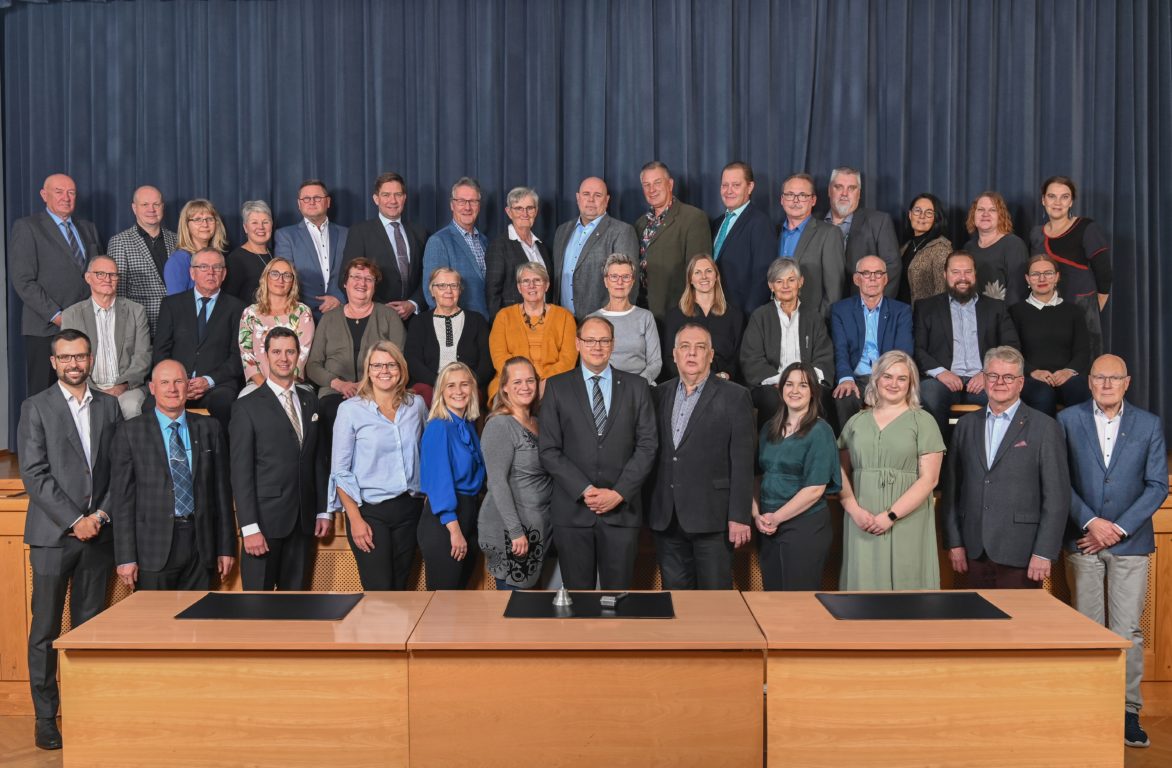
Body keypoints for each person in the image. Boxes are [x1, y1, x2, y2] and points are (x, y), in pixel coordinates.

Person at [18, 329, 121, 751]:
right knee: (44, 630)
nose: (74, 364)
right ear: (54, 362)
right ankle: (47, 718)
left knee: (87, 630)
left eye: (80, 357)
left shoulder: (111, 407)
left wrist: (98, 515)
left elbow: (121, 469)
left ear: (90, 359)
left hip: (99, 534)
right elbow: (34, 474)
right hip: (53, 536)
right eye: (66, 358)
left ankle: (84, 709)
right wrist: (74, 519)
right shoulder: (35, 407)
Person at [1058, 354, 1167, 749]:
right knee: (1086, 629)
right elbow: (1060, 480)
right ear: (1089, 382)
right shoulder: (1068, 420)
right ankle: (1089, 705)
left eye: (1114, 378)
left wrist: (1116, 529)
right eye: (1100, 377)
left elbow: (1157, 485)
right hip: (1082, 540)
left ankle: (1128, 711)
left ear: (1127, 382)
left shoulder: (1149, 424)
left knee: (1127, 632)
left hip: (1130, 543)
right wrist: (1091, 522)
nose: (1107, 384)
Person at [539, 317, 657, 590]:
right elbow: (548, 450)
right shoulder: (557, 387)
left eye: (604, 340)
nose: (597, 346)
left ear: (613, 345)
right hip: (573, 512)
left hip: (622, 512)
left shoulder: (636, 387)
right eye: (590, 340)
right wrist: (585, 489)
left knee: (617, 599)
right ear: (578, 344)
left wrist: (619, 493)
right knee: (579, 602)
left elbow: (648, 445)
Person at [942, 346, 1070, 589]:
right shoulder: (966, 426)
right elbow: (952, 491)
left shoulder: (1044, 427)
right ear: (984, 378)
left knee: (1018, 627)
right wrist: (955, 543)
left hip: (1021, 553)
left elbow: (1057, 497)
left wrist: (1044, 552)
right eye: (993, 376)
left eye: (1008, 377)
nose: (1000, 382)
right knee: (975, 626)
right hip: (972, 551)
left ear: (1020, 383)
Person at [109, 359, 236, 590]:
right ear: (152, 388)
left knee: (199, 623)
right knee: (155, 625)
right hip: (152, 549)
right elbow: (122, 501)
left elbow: (222, 494)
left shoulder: (210, 428)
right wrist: (126, 557)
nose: (172, 388)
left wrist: (225, 547)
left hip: (202, 545)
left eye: (179, 381)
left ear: (188, 386)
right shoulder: (130, 432)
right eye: (165, 382)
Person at [650, 324, 754, 589]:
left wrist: (740, 516)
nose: (692, 353)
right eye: (685, 347)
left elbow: (742, 462)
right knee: (675, 601)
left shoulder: (736, 396)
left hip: (713, 519)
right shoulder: (658, 394)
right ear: (674, 354)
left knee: (714, 603)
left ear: (711, 354)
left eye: (700, 347)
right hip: (667, 517)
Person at [230, 328, 330, 591]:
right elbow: (241, 473)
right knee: (256, 609)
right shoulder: (246, 406)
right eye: (277, 351)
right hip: (263, 524)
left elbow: (317, 461)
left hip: (303, 521)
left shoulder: (310, 401)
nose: (284, 358)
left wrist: (322, 509)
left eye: (290, 351)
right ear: (265, 356)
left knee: (294, 606)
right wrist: (249, 527)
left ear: (299, 355)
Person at [837, 350, 945, 590]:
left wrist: (891, 515)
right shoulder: (856, 422)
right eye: (887, 376)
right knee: (862, 590)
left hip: (907, 519)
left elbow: (930, 479)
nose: (893, 384)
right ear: (876, 379)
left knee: (908, 585)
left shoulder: (923, 421)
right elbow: (840, 472)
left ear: (911, 384)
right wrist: (854, 510)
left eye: (902, 378)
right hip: (862, 519)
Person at [329, 341, 427, 591]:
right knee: (379, 593)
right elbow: (340, 472)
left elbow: (427, 452)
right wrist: (355, 520)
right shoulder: (350, 410)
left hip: (410, 508)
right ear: (368, 370)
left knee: (401, 590)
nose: (385, 370)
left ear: (401, 368)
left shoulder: (416, 406)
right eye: (377, 365)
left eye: (391, 364)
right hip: (370, 513)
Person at [10, 173, 102, 394]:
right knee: (43, 395)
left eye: (71, 192)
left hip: (85, 327)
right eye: (59, 192)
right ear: (44, 195)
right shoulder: (28, 227)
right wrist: (58, 316)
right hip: (46, 328)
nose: (66, 197)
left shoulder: (88, 228)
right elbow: (24, 281)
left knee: (84, 394)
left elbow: (96, 274)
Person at [914, 250, 1021, 438]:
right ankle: (940, 459)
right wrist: (941, 373)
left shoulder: (996, 307)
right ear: (945, 275)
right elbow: (917, 348)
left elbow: (1010, 347)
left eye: (967, 272)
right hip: (942, 382)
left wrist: (987, 374)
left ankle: (992, 458)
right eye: (956, 272)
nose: (962, 278)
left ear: (975, 274)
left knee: (1005, 393)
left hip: (984, 380)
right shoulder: (926, 307)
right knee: (929, 392)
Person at [753, 362, 840, 591]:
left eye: (803, 385)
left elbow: (815, 489)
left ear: (813, 391)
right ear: (780, 389)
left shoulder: (820, 431)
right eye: (789, 384)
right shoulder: (768, 429)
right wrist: (757, 515)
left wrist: (777, 517)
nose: (795, 390)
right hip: (768, 526)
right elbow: (757, 476)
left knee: (798, 607)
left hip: (804, 527)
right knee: (772, 602)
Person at [152, 247, 246, 432]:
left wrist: (208, 380)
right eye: (203, 267)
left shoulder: (238, 308)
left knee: (222, 404)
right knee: (149, 406)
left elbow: (237, 358)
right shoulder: (171, 305)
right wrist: (179, 382)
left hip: (217, 385)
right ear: (192, 273)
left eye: (216, 267)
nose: (210, 272)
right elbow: (160, 351)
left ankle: (217, 459)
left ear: (224, 273)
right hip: (176, 382)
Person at [478, 357, 553, 590]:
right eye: (517, 381)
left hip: (538, 526)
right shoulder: (500, 425)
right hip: (513, 530)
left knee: (530, 605)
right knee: (515, 604)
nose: (525, 387)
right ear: (504, 388)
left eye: (530, 380)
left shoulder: (538, 422)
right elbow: (497, 483)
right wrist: (516, 531)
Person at [740, 258, 833, 426]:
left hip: (808, 383)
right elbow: (751, 359)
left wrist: (803, 384)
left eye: (791, 280)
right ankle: (771, 449)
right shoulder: (759, 317)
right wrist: (784, 383)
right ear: (771, 286)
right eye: (779, 281)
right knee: (770, 399)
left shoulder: (814, 317)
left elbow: (824, 357)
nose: (785, 286)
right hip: (772, 385)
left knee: (823, 396)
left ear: (800, 282)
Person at [419, 362, 486, 590]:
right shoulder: (439, 427)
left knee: (458, 602)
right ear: (441, 392)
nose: (458, 391)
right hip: (445, 524)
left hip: (467, 514)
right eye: (451, 386)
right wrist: (455, 531)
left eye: (464, 384)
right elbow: (439, 485)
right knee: (442, 605)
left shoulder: (467, 425)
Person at [1029, 175, 1112, 359]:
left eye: (1064, 197)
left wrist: (1091, 309)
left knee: (1082, 369)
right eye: (1052, 196)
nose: (1057, 202)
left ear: (1071, 201)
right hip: (1045, 313)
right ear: (1043, 200)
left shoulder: (1086, 227)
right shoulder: (1036, 234)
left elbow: (1104, 274)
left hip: (1081, 311)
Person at [61, 255, 152, 418]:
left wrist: (121, 386)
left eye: (113, 275)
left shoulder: (136, 311)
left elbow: (143, 356)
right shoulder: (72, 315)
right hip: (87, 387)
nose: (107, 279)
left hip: (128, 388)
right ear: (88, 278)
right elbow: (70, 360)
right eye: (100, 274)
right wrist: (96, 391)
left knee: (131, 406)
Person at [829, 255, 914, 428]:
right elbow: (840, 350)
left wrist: (887, 380)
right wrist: (846, 378)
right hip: (856, 377)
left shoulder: (901, 311)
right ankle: (849, 453)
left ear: (885, 279)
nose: (873, 279)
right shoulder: (840, 310)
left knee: (897, 398)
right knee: (844, 396)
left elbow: (902, 353)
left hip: (888, 376)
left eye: (878, 273)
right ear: (856, 279)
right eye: (866, 273)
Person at [1009, 254, 1092, 416]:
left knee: (1079, 388)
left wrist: (1068, 371)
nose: (1042, 278)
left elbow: (1083, 350)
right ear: (1027, 279)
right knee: (1043, 393)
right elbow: (1012, 351)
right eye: (1035, 274)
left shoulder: (1073, 311)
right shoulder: (1016, 312)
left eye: (1048, 273)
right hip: (1032, 378)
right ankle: (1044, 441)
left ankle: (1075, 440)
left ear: (1057, 277)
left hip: (1066, 377)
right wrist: (1032, 371)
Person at [342, 171, 428, 321]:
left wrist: (413, 303)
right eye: (386, 195)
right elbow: (349, 278)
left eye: (398, 195)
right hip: (374, 318)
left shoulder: (419, 232)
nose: (392, 200)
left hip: (414, 318)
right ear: (376, 199)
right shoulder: (360, 232)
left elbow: (426, 274)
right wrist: (380, 308)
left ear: (404, 198)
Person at [635, 161, 713, 321]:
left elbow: (698, 273)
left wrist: (690, 315)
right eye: (646, 185)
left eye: (657, 183)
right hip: (642, 312)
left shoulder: (693, 218)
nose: (652, 189)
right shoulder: (640, 224)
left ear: (670, 184)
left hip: (676, 313)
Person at [552, 176, 639, 319]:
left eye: (598, 195)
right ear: (578, 198)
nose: (591, 200)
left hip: (602, 327)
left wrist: (617, 322)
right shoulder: (562, 231)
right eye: (586, 194)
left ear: (607, 200)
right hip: (563, 322)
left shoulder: (622, 231)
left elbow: (627, 285)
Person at [488, 263, 578, 401]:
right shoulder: (504, 316)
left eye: (537, 280)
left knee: (554, 407)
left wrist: (543, 379)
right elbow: (499, 356)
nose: (531, 286)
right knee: (506, 411)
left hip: (552, 381)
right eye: (526, 281)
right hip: (512, 381)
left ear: (546, 285)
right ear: (519, 287)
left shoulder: (565, 317)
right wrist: (525, 380)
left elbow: (568, 359)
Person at [405, 267, 493, 401]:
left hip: (468, 385)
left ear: (460, 290)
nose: (448, 291)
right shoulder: (419, 322)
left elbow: (486, 363)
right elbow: (413, 361)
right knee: (426, 397)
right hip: (430, 385)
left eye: (454, 285)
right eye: (441, 286)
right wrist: (439, 383)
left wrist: (465, 383)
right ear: (432, 291)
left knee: (466, 398)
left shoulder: (477, 320)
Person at [238, 257, 314, 396]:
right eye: (275, 274)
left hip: (292, 383)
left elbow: (302, 354)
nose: (281, 280)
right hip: (258, 384)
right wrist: (267, 389)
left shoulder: (302, 312)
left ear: (293, 281)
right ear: (265, 278)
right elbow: (246, 356)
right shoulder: (250, 313)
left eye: (287, 275)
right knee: (245, 399)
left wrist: (282, 388)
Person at [273, 179, 349, 320]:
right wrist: (311, 306)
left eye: (317, 198)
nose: (312, 202)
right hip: (302, 315)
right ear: (299, 204)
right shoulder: (285, 236)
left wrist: (339, 298)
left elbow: (353, 271)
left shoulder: (346, 234)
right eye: (306, 198)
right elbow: (285, 278)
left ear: (328, 202)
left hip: (341, 312)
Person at [108, 185, 177, 334]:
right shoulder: (120, 242)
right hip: (141, 327)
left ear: (162, 207)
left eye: (156, 204)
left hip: (176, 326)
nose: (151, 209)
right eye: (145, 204)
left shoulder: (177, 240)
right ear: (134, 208)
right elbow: (118, 291)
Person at [663, 254, 744, 380]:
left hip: (723, 384)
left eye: (709, 271)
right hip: (686, 384)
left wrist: (725, 375)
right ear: (690, 279)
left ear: (716, 276)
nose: (704, 276)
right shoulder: (674, 316)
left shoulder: (735, 316)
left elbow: (739, 358)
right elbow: (669, 358)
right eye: (697, 272)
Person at [710, 161, 775, 314]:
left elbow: (763, 276)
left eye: (736, 185)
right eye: (725, 185)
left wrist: (748, 317)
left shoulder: (760, 223)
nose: (729, 191)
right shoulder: (716, 223)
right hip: (713, 312)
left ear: (750, 187)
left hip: (740, 316)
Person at [824, 167, 901, 296]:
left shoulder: (879, 222)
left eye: (851, 188)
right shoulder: (814, 222)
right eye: (838, 187)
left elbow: (891, 269)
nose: (844, 193)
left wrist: (872, 309)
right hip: (820, 311)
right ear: (829, 191)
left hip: (862, 310)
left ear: (859, 194)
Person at [777, 172, 845, 317]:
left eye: (802, 195)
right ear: (782, 199)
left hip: (810, 324)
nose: (795, 200)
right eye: (789, 194)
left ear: (813, 200)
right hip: (775, 322)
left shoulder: (829, 233)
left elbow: (834, 291)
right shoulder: (773, 232)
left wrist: (819, 324)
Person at [422, 177, 491, 318]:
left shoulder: (485, 241)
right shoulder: (438, 241)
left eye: (473, 201)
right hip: (459, 327)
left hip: (488, 324)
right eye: (461, 201)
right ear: (452, 205)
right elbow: (433, 295)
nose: (467, 207)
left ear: (479, 205)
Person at [589, 253, 661, 384]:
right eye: (614, 277)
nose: (620, 282)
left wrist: (637, 384)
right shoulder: (592, 320)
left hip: (640, 386)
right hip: (605, 386)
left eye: (626, 277)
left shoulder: (645, 317)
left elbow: (655, 363)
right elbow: (588, 363)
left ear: (633, 281)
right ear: (605, 281)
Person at [485, 186, 554, 316]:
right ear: (509, 212)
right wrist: (500, 326)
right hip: (514, 322)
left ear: (536, 211)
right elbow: (492, 294)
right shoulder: (499, 246)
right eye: (518, 209)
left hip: (545, 321)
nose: (525, 214)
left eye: (529, 208)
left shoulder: (543, 248)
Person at [961, 191, 1028, 304]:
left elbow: (1018, 290)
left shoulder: (1013, 245)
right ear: (973, 214)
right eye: (981, 209)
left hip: (1003, 317)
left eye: (992, 210)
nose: (985, 214)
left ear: (1001, 216)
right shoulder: (968, 247)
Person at [162, 199, 228, 294]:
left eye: (209, 219)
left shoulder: (218, 258)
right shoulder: (179, 260)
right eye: (197, 219)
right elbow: (175, 305)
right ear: (186, 225)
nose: (205, 224)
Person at [897, 193, 951, 305]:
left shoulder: (941, 248)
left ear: (936, 218)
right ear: (910, 214)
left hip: (924, 318)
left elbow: (942, 292)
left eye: (929, 213)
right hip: (902, 315)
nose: (922, 216)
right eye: (917, 211)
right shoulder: (905, 247)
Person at [223, 200, 275, 303]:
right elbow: (229, 300)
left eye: (265, 222)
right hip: (249, 317)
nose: (261, 227)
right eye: (254, 222)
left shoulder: (276, 254)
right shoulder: (235, 259)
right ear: (245, 228)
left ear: (272, 225)